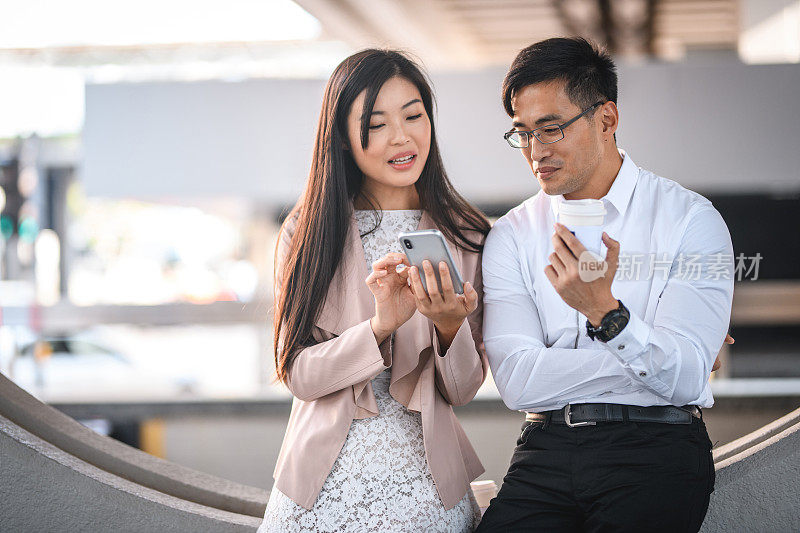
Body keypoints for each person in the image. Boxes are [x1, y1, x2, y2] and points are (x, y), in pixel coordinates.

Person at [476, 37, 734, 532]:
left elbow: (683, 380)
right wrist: (647, 357)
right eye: (523, 133)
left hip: (655, 452)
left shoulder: (690, 221)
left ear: (607, 119)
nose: (536, 151)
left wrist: (606, 314)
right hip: (544, 450)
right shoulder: (512, 234)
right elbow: (517, 381)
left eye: (551, 129)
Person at [258, 49, 491, 532]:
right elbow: (297, 372)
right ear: (342, 138)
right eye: (377, 123)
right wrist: (381, 325)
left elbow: (464, 388)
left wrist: (450, 327)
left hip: (427, 491)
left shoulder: (466, 233)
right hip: (322, 492)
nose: (402, 137)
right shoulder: (307, 231)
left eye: (413, 116)